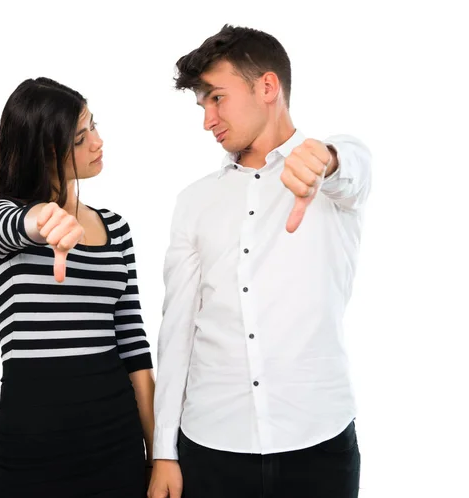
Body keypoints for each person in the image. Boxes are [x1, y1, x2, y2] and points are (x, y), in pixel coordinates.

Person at [148, 25, 371, 498]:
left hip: (319, 442)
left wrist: (326, 159)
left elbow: (353, 168)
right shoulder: (194, 201)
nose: (208, 120)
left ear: (267, 87)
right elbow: (177, 330)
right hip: (211, 447)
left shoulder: (332, 177)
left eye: (217, 98)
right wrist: (164, 451)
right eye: (202, 105)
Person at [0, 77, 155, 498]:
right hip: (35, 450)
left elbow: (133, 344)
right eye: (80, 137)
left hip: (118, 440)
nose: (98, 141)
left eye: (93, 126)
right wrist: (42, 220)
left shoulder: (116, 228)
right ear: (46, 151)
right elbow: (15, 224)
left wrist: (157, 453)